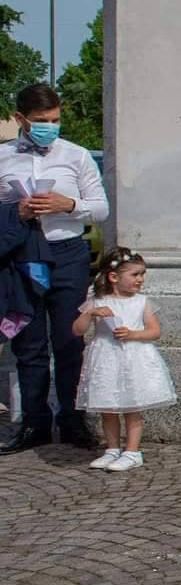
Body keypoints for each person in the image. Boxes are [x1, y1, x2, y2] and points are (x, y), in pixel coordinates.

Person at [0, 82, 109, 454]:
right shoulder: (2, 157)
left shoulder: (75, 155)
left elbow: (101, 208)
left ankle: (72, 419)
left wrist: (68, 204)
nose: (50, 126)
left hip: (66, 254)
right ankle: (34, 422)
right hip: (22, 256)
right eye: (40, 120)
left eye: (55, 120)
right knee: (28, 343)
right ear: (20, 119)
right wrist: (15, 211)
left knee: (69, 340)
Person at [75, 245, 175, 472]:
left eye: (142, 274)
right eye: (135, 274)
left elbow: (154, 331)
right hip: (106, 360)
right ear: (113, 277)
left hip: (132, 360)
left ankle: (132, 451)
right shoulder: (97, 301)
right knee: (108, 407)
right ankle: (112, 448)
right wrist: (89, 313)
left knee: (132, 406)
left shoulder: (141, 302)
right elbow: (77, 330)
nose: (140, 280)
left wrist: (132, 334)